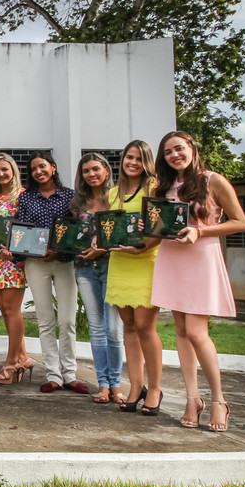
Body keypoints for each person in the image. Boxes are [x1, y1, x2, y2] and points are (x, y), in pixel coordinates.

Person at [150, 131, 245, 431]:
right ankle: (193, 398)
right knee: (180, 331)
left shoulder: (212, 180)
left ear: (192, 147)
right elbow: (160, 227)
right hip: (171, 258)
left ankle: (219, 400)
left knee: (196, 332)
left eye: (179, 148)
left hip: (200, 258)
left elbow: (239, 221)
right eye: (168, 152)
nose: (174, 155)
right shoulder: (163, 186)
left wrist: (200, 231)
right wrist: (149, 225)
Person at [16, 151, 86, 394]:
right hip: (36, 264)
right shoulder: (26, 198)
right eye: (34, 168)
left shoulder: (70, 196)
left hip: (64, 261)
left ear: (53, 167)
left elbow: (76, 230)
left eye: (42, 166)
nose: (38, 171)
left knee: (67, 320)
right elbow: (22, 229)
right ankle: (53, 375)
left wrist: (57, 251)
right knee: (45, 320)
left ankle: (70, 374)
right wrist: (30, 251)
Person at [105, 140, 163, 415]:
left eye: (139, 159)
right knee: (128, 326)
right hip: (120, 261)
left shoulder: (155, 188)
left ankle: (154, 388)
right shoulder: (113, 193)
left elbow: (160, 228)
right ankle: (135, 386)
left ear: (147, 162)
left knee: (145, 326)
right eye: (129, 157)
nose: (133, 163)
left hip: (146, 260)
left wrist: (143, 244)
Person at [70, 152, 123, 404]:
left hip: (114, 267)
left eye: (95, 169)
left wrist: (104, 248)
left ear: (106, 170)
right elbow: (71, 237)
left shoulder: (118, 198)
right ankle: (103, 384)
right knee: (97, 328)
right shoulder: (77, 204)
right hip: (84, 268)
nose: (91, 174)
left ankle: (117, 382)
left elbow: (124, 233)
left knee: (114, 329)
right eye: (86, 171)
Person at [0, 153, 32, 384]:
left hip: (12, 261)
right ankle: (23, 357)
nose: (0, 174)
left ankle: (12, 362)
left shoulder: (22, 196)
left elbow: (27, 228)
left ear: (13, 170)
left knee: (12, 310)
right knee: (4, 310)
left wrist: (15, 250)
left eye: (4, 169)